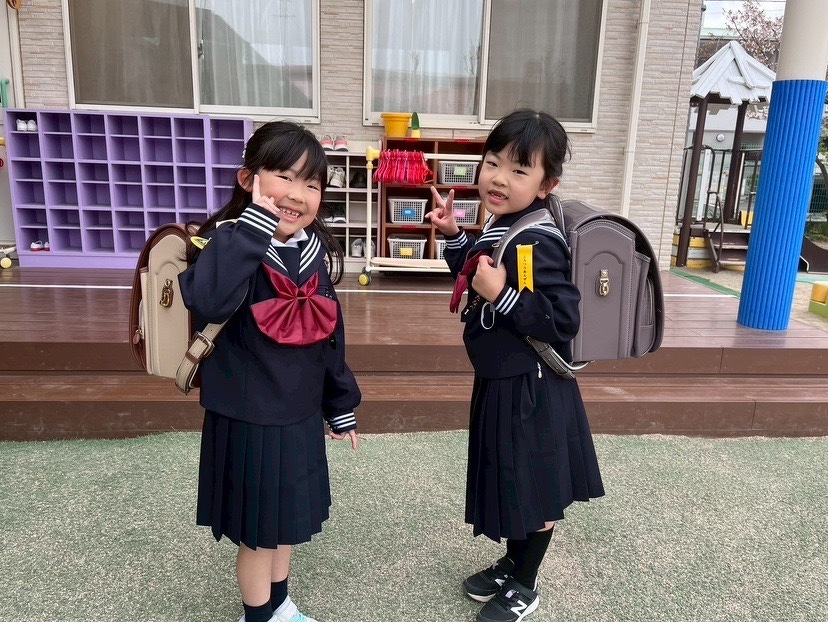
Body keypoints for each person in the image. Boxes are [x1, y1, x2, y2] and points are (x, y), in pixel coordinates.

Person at [427, 109, 605, 622]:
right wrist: (454, 236)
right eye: (493, 163)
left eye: (519, 170)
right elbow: (480, 271)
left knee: (534, 488)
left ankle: (525, 583)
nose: (499, 178)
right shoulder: (503, 224)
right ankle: (512, 563)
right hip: (504, 379)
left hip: (532, 387)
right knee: (513, 480)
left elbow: (562, 318)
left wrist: (502, 294)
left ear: (547, 185)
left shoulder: (536, 239)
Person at [179, 121, 361, 622]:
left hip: (298, 412)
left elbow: (330, 334)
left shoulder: (311, 251)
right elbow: (208, 299)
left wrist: (340, 404)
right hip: (249, 415)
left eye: (312, 183)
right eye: (285, 176)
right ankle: (258, 617)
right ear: (248, 179)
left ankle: (280, 607)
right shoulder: (224, 241)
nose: (298, 194)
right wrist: (254, 227)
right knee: (259, 535)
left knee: (286, 525)